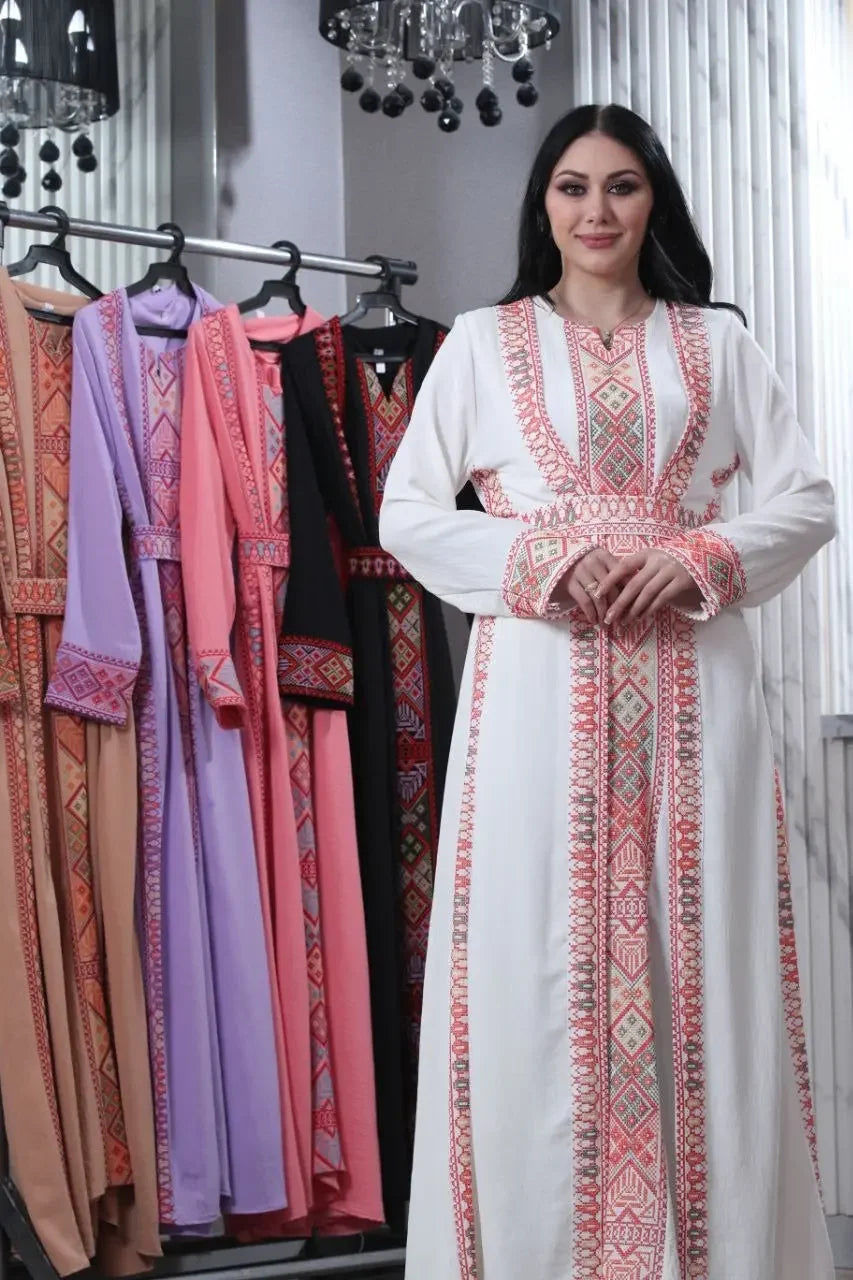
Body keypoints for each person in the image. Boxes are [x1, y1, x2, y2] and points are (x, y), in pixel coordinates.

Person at [379, 103, 836, 1280]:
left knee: (706, 953)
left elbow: (805, 500)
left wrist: (699, 557)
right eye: (572, 186)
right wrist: (543, 557)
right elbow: (408, 513)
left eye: (621, 186)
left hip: (696, 685)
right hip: (536, 685)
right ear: (543, 203)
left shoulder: (717, 344)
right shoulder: (481, 343)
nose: (596, 210)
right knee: (535, 953)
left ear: (652, 202)